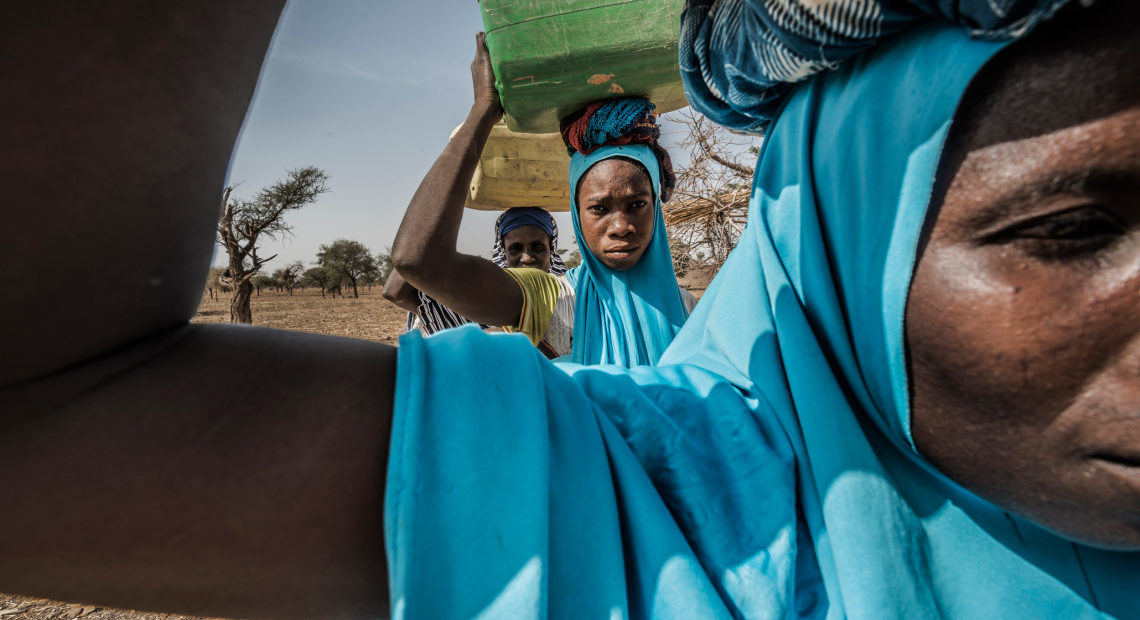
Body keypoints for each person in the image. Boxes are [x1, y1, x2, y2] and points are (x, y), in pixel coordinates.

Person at [1, 1, 1137, 619]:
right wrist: (482, 124)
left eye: (635, 198)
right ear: (845, 240)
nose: (618, 222)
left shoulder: (738, 306)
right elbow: (410, 257)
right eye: (1076, 228)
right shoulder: (659, 464)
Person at [391, 59, 697, 366]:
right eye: (598, 209)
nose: (620, 226)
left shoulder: (691, 311)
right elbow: (417, 260)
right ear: (578, 216)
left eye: (637, 205)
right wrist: (483, 110)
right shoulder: (554, 297)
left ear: (655, 205)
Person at [383, 207, 569, 358]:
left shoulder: (572, 294)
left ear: (551, 251)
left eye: (538, 247)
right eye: (516, 249)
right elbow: (395, 291)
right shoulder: (479, 296)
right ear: (503, 252)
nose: (527, 258)